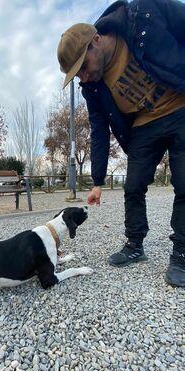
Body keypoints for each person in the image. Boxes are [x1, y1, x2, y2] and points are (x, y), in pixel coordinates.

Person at [57, 0, 185, 287]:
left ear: (96, 41)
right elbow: (99, 130)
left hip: (180, 106)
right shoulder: (91, 85)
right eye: (77, 74)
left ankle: (182, 252)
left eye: (83, 67)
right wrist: (98, 180)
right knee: (133, 186)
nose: (83, 77)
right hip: (142, 125)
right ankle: (135, 244)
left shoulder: (144, 14)